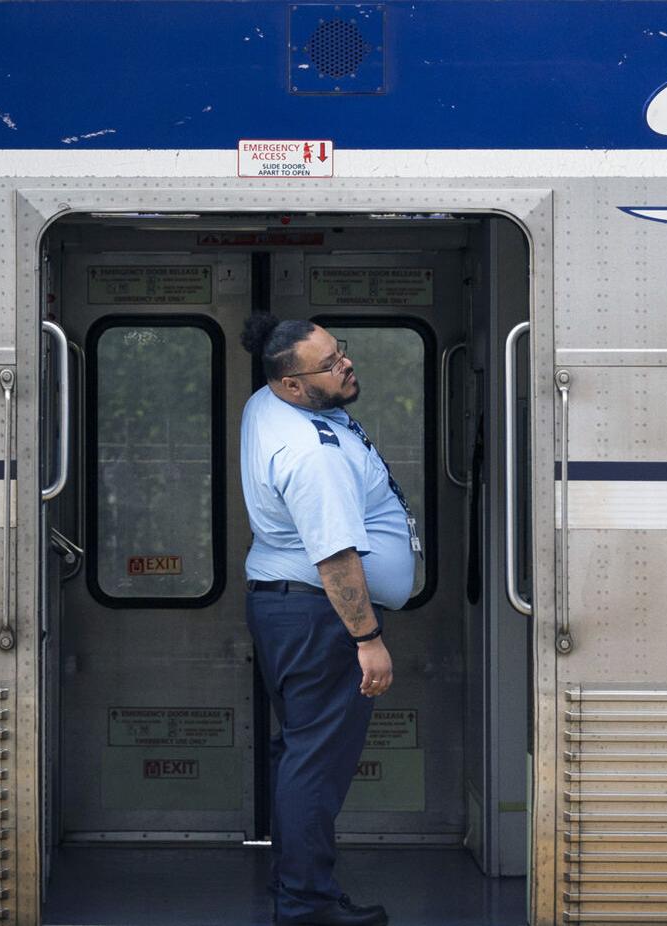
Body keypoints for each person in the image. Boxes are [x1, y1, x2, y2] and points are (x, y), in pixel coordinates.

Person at [238, 313, 418, 926]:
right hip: (320, 618)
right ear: (290, 383)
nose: (346, 365)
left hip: (290, 607)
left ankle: (296, 886)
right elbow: (336, 558)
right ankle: (306, 903)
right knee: (316, 764)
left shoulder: (268, 402)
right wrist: (368, 639)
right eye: (330, 364)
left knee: (302, 753)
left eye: (340, 351)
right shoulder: (311, 455)